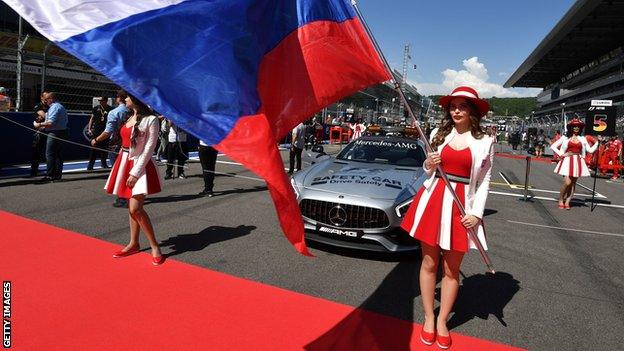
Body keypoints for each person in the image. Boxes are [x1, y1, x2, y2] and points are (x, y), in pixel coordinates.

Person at [400, 86, 493, 350]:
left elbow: (485, 179)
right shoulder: (437, 134)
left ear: (472, 111)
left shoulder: (486, 140)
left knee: (452, 270)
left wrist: (476, 212)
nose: (456, 110)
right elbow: (426, 169)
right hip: (433, 200)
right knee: (429, 263)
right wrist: (429, 163)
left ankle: (443, 320)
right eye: (453, 106)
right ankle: (429, 318)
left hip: (462, 206)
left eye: (462, 106)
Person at [104, 93, 164, 265]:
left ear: (135, 98)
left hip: (140, 166)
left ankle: (154, 246)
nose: (124, 100)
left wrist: (135, 173)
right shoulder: (130, 116)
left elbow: (149, 149)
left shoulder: (151, 119)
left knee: (135, 208)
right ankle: (133, 243)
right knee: (132, 207)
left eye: (127, 97)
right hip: (124, 162)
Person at [91, 89, 129, 208]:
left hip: (117, 143)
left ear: (118, 98)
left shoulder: (114, 112)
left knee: (118, 170)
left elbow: (108, 132)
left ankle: (122, 197)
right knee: (128, 169)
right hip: (130, 142)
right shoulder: (133, 111)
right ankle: (132, 194)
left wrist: (96, 140)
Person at [550, 118, 598, 209]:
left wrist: (596, 143)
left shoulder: (583, 139)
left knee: (573, 184)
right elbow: (553, 146)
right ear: (571, 127)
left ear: (580, 128)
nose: (576, 128)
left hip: (578, 161)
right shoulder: (565, 137)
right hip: (567, 161)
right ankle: (561, 199)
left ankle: (568, 201)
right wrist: (562, 154)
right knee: (567, 182)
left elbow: (590, 150)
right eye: (574, 126)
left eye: (578, 127)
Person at [33, 92, 68, 182]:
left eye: (47, 99)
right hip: (60, 132)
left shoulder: (54, 107)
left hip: (55, 133)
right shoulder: (59, 106)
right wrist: (42, 126)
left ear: (51, 99)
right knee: (57, 155)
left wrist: (38, 124)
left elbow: (50, 122)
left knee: (50, 154)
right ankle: (57, 175)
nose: (45, 101)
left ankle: (50, 175)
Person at [86, 96, 112, 170]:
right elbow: (92, 118)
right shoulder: (96, 108)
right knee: (93, 147)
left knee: (104, 147)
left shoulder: (110, 109)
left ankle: (103, 163)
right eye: (100, 101)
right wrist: (89, 128)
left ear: (106, 101)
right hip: (96, 130)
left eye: (102, 100)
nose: (100, 102)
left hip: (105, 130)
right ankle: (90, 165)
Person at [29, 92, 49, 177]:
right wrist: (50, 116)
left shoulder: (50, 106)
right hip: (39, 132)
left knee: (49, 153)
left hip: (48, 131)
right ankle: (34, 171)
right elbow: (44, 115)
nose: (47, 100)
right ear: (41, 97)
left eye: (48, 98)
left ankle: (50, 172)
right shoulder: (38, 106)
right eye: (45, 98)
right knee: (36, 152)